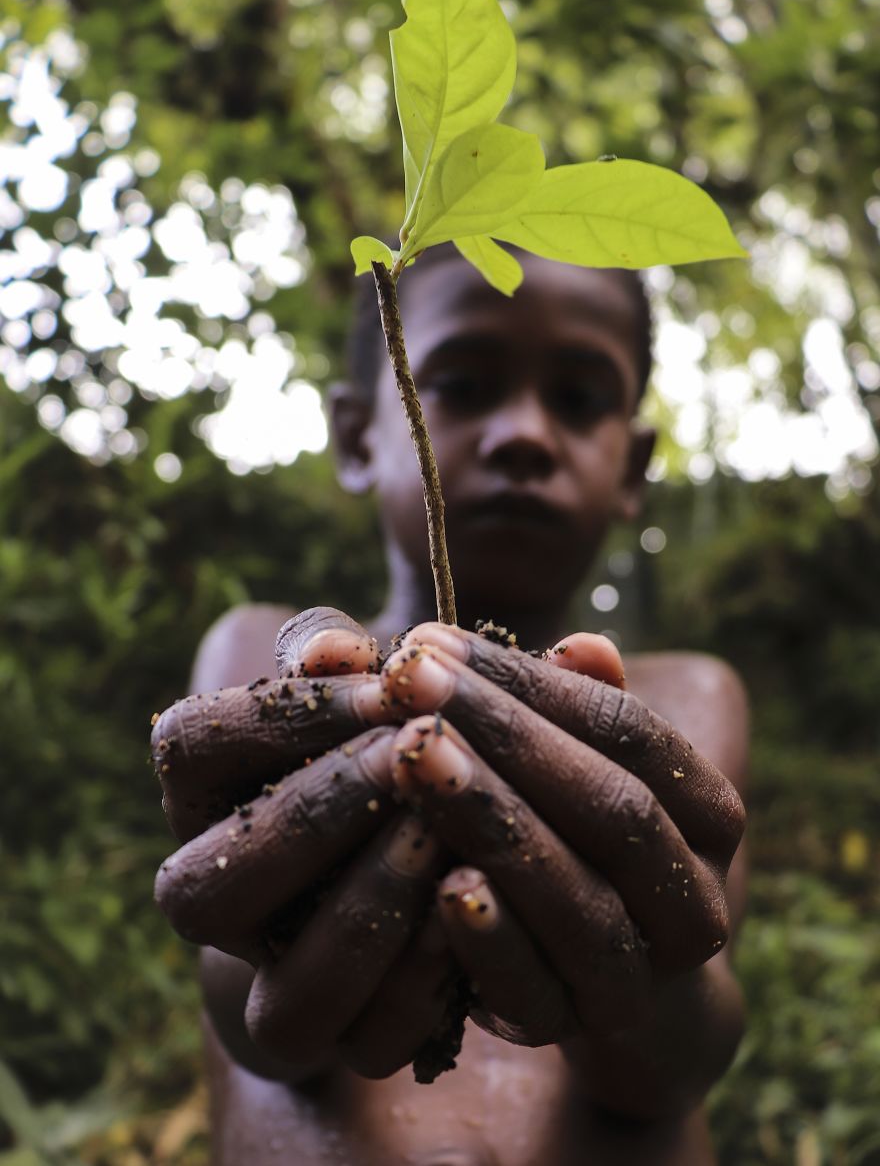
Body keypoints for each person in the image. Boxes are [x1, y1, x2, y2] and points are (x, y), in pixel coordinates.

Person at [151, 245, 748, 1166]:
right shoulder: (267, 662)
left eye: (580, 399)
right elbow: (250, 1020)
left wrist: (642, 971)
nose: (524, 433)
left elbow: (674, 1066)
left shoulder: (681, 705)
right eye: (463, 383)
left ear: (632, 468)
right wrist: (268, 933)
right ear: (356, 437)